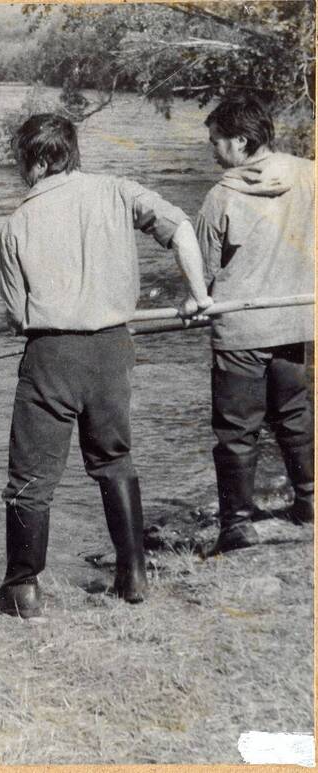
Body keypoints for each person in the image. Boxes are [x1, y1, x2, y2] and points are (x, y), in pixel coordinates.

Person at [0, 113, 214, 619]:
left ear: (37, 161)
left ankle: (21, 588)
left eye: (22, 160)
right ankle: (133, 574)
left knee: (30, 477)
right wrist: (200, 296)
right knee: (113, 459)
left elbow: (18, 318)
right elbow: (183, 230)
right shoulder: (118, 191)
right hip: (112, 350)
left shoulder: (17, 223)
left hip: (51, 357)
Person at [195, 95, 315, 554]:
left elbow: (202, 272)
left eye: (217, 141)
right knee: (295, 417)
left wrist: (196, 301)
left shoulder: (221, 195)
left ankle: (237, 526)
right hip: (295, 320)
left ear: (241, 142)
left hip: (240, 329)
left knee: (236, 430)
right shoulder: (309, 175)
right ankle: (309, 502)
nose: (212, 149)